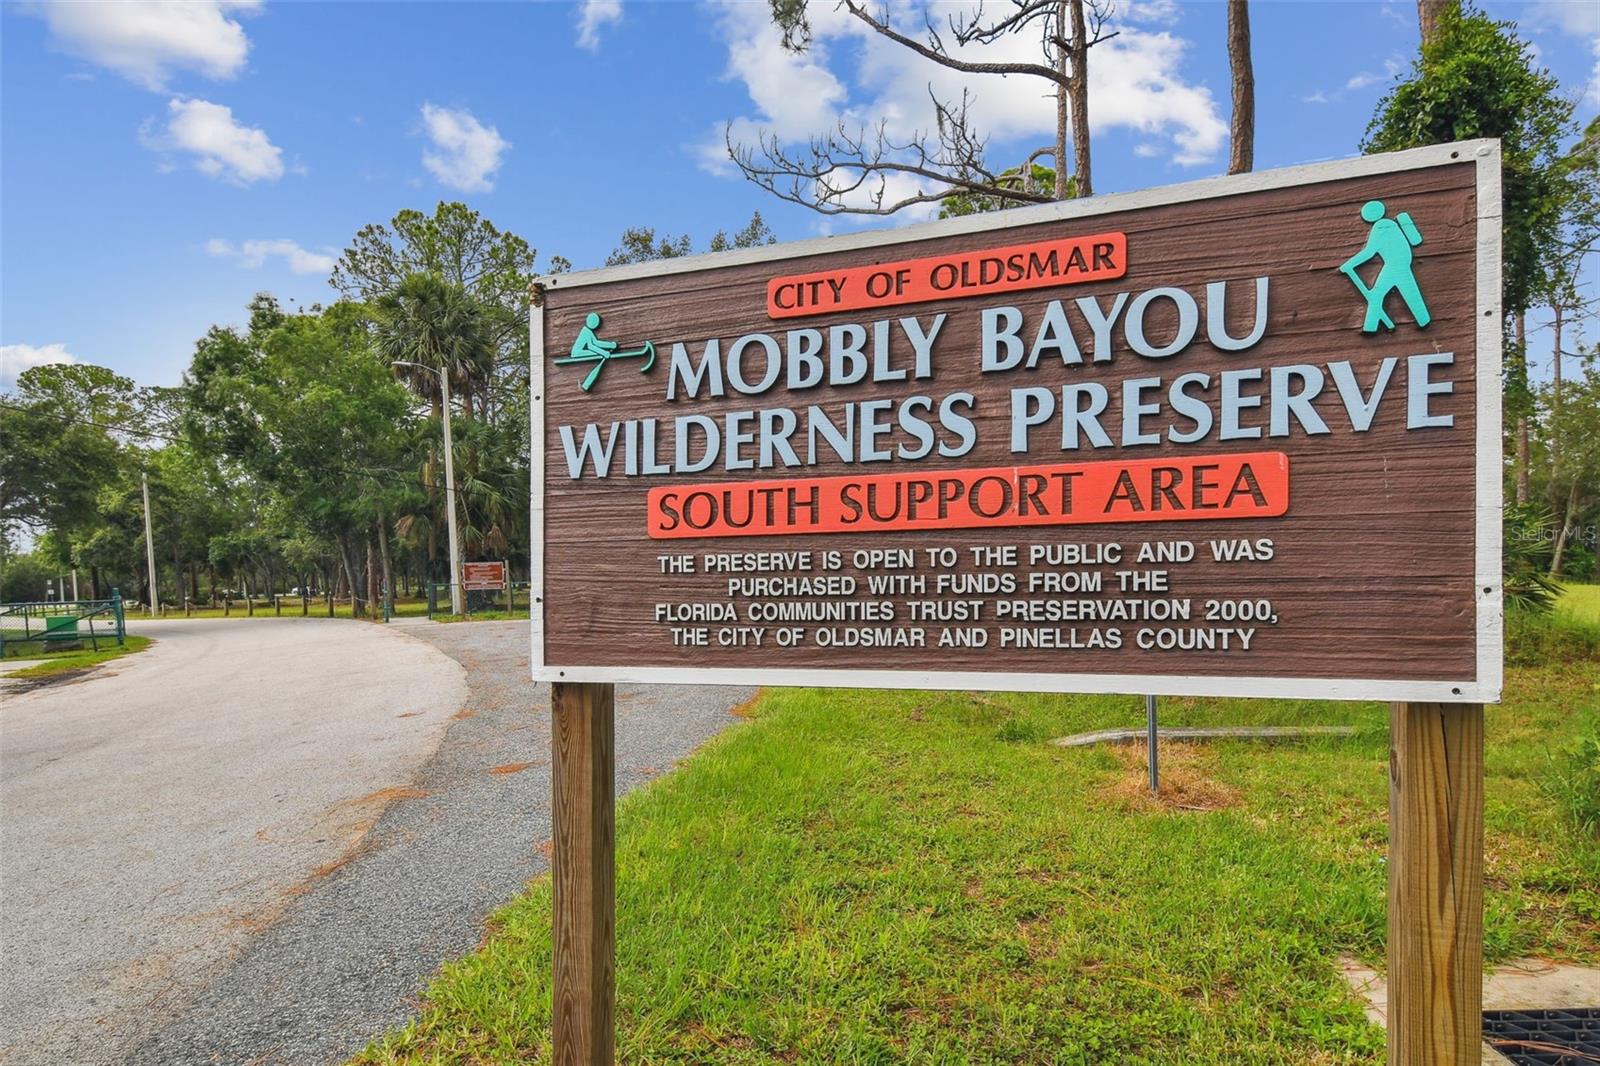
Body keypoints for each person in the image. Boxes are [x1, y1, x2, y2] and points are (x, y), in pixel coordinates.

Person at [1340, 200, 1431, 333]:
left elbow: (1370, 251)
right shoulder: (1391, 224)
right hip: (1403, 263)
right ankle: (1424, 320)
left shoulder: (1380, 228)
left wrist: (1350, 264)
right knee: (1411, 293)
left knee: (1377, 295)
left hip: (1393, 266)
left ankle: (1370, 328)